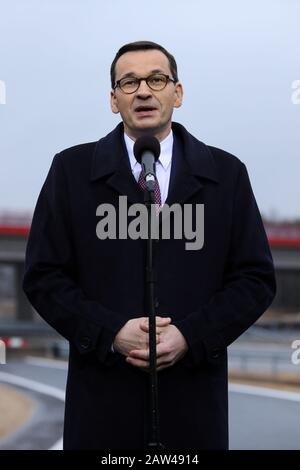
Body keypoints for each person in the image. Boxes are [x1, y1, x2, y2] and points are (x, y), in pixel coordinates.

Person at [23, 40, 276, 450]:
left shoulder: (227, 174)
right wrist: (111, 333)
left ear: (177, 92)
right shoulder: (70, 171)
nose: (143, 91)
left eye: (156, 79)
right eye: (129, 82)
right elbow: (43, 276)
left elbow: (255, 279)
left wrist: (190, 337)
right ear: (113, 99)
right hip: (102, 405)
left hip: (194, 404)